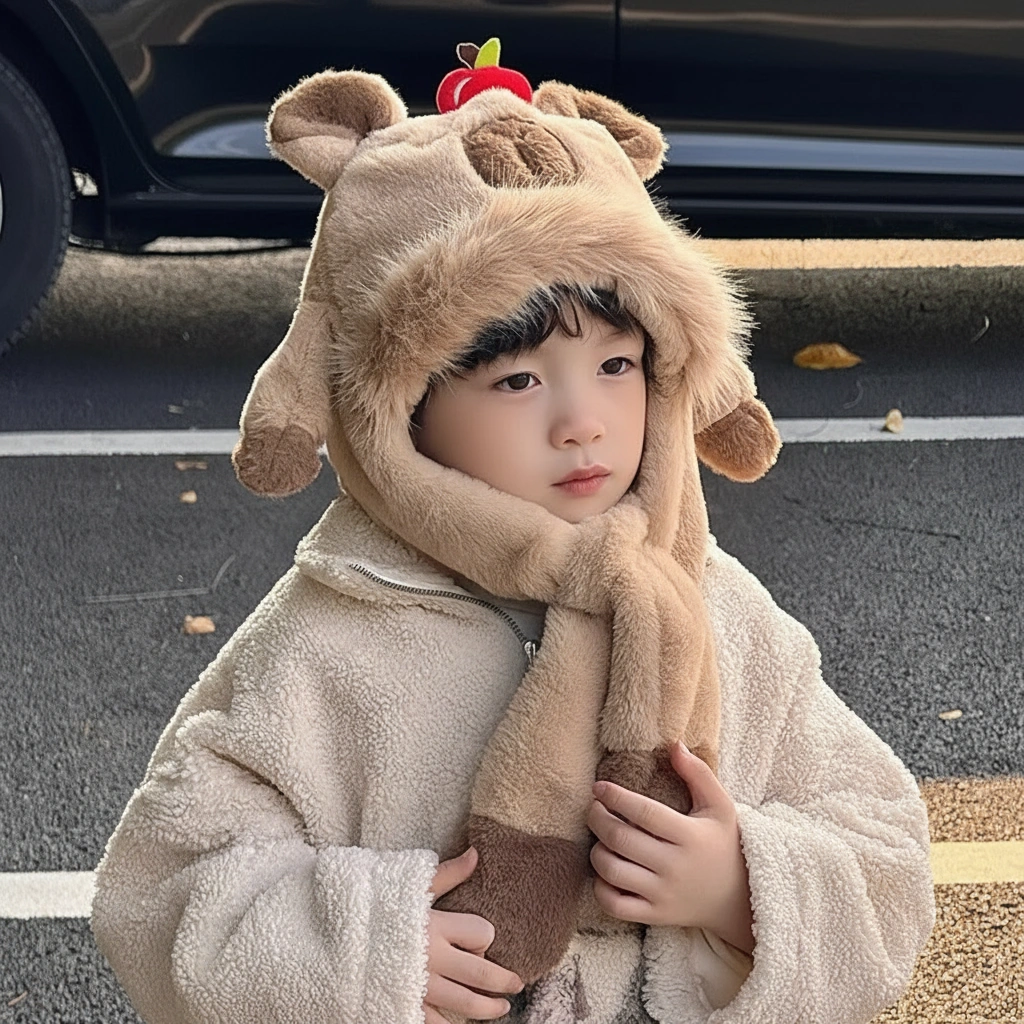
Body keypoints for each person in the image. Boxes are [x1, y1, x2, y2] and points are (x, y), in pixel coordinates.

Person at [91, 57, 936, 1024]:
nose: (582, 420)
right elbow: (160, 888)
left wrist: (742, 888)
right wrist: (366, 950)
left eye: (617, 362)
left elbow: (885, 847)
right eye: (517, 380)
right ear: (400, 411)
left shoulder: (716, 608)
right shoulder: (331, 636)